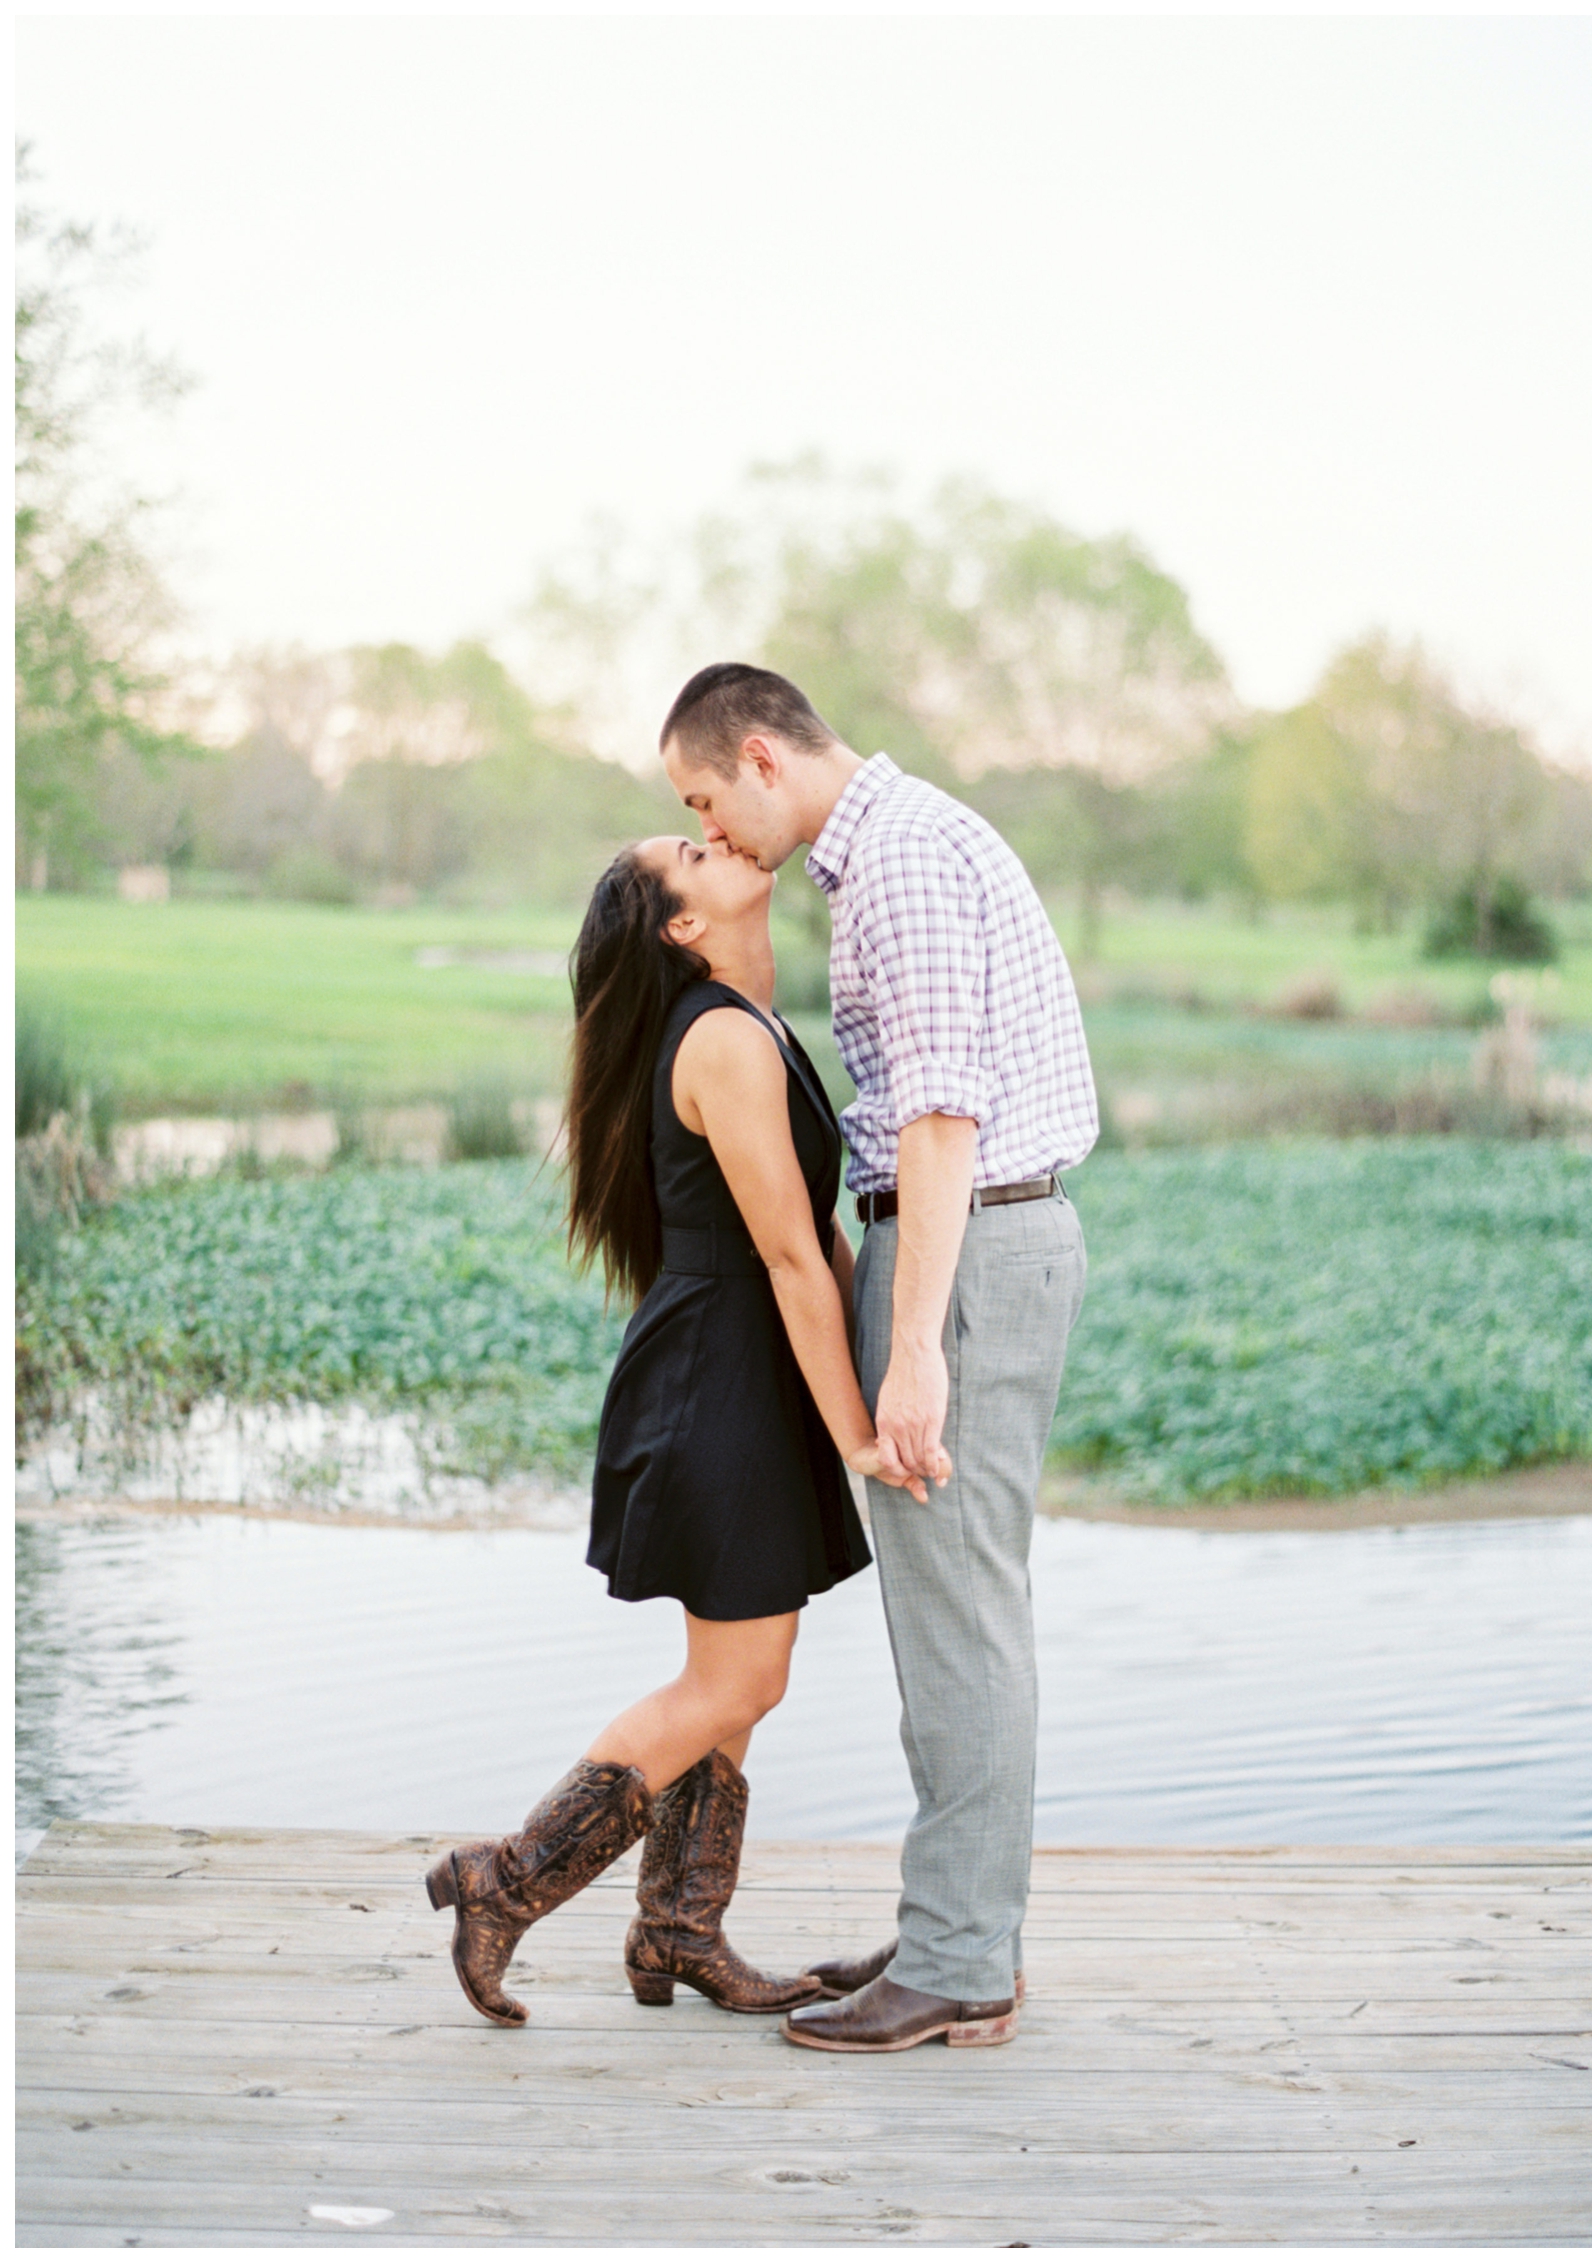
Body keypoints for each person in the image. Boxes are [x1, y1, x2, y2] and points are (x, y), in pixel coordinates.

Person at [426, 833, 940, 2027]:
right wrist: (860, 1429)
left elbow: (810, 1241)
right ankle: (501, 1883)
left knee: (739, 1680)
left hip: (742, 1376)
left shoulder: (741, 1018)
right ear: (681, 924)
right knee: (739, 1673)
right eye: (687, 851)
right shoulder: (716, 1035)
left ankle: (677, 1929)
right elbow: (790, 1252)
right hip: (720, 1380)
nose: (713, 838)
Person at [661, 663, 1098, 2054]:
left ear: (757, 756)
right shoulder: (902, 843)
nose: (714, 833)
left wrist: (912, 1348)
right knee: (953, 1613)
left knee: (961, 1620)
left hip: (961, 1261)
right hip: (972, 1254)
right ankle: (949, 1929)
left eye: (703, 801)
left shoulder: (898, 866)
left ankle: (960, 1961)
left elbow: (940, 1120)